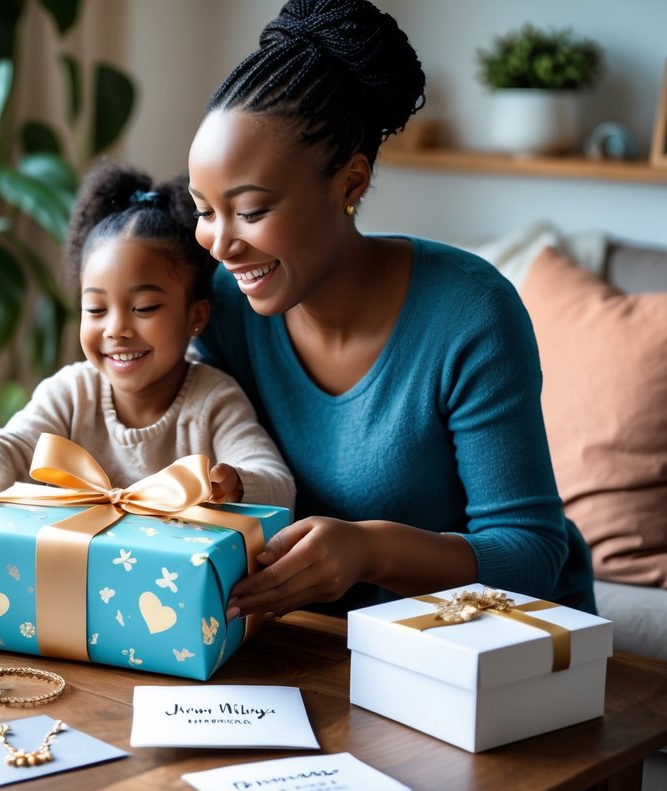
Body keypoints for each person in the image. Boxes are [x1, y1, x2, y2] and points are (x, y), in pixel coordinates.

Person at [185, 0, 596, 619]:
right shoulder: (222, 308)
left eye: (250, 211)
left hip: (487, 644)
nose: (220, 242)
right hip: (318, 645)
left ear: (349, 184)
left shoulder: (470, 313)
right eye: (203, 210)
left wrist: (369, 551)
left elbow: (534, 556)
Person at [0, 159, 295, 513]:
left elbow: (279, 486)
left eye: (143, 308)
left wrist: (237, 483)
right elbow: (15, 443)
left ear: (195, 316)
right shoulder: (72, 394)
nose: (116, 329)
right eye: (96, 310)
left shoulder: (214, 401)